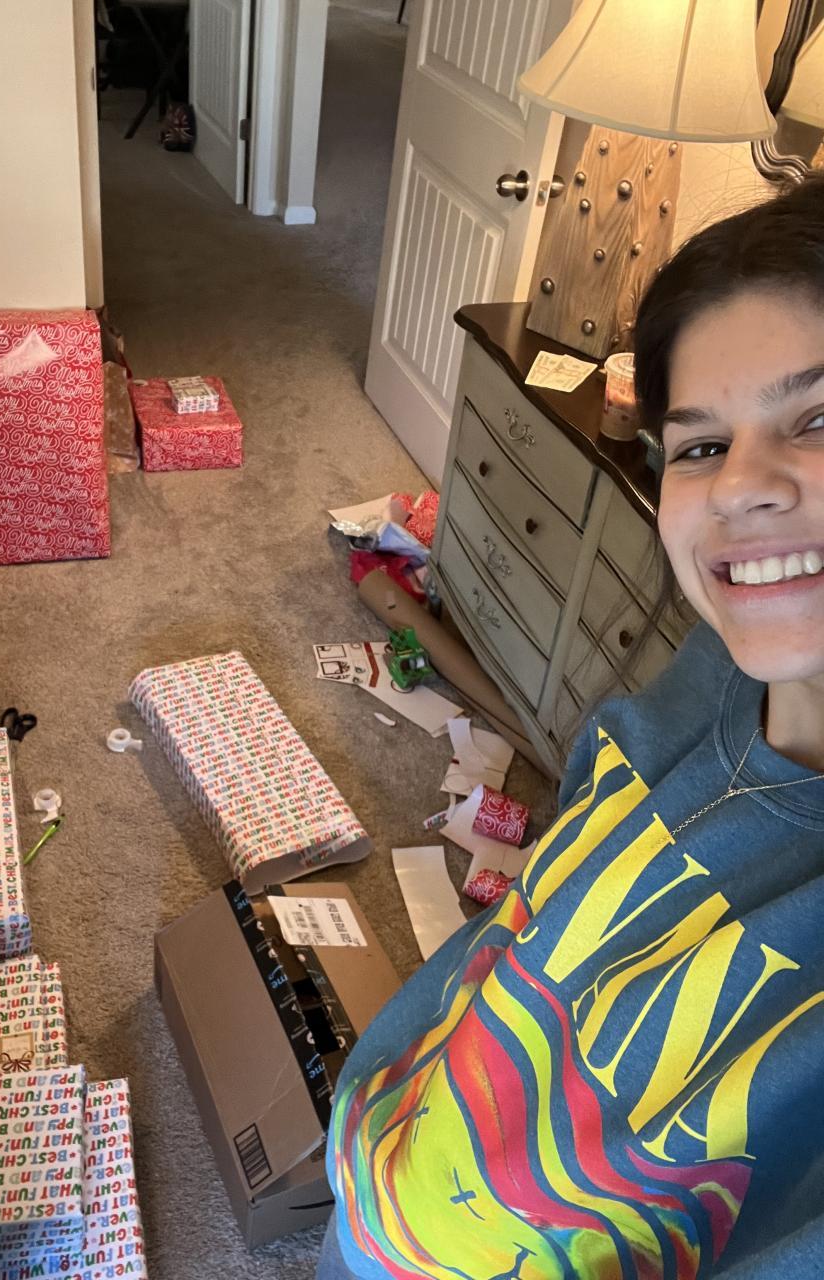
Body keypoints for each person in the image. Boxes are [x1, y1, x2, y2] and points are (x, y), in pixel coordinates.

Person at [318, 173, 824, 1279]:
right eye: (699, 445)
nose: (739, 486)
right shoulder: (712, 671)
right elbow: (532, 926)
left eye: (819, 417)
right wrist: (373, 1108)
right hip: (378, 1182)